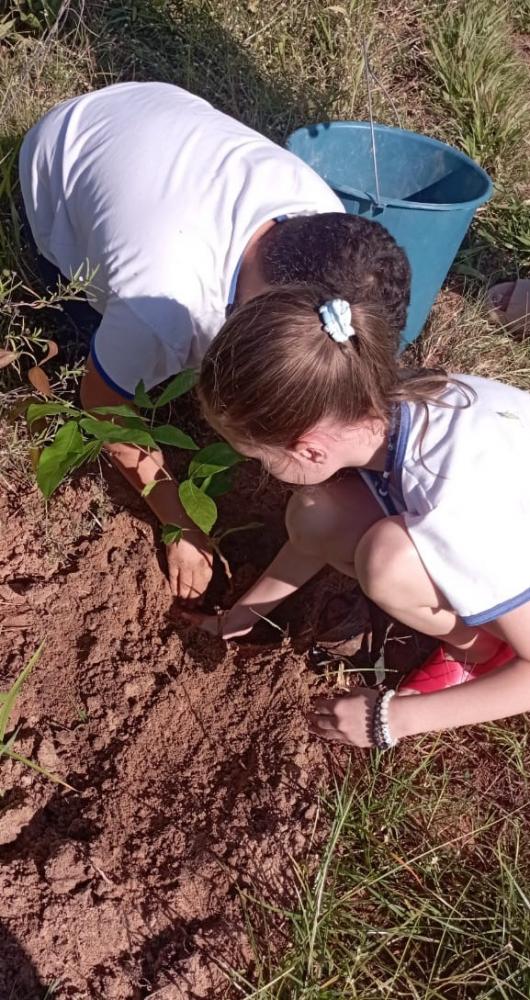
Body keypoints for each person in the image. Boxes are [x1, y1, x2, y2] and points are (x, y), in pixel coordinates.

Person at [19, 80, 394, 600]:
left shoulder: (326, 230)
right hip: (62, 153)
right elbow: (102, 405)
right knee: (86, 336)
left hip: (161, 114)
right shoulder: (160, 306)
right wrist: (181, 523)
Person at [188, 257, 530, 749]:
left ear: (309, 449)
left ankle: (482, 653)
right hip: (499, 523)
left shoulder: (451, 497)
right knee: (317, 510)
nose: (264, 473)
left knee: (386, 561)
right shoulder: (383, 403)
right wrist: (245, 614)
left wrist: (392, 721)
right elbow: (316, 531)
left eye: (261, 460)